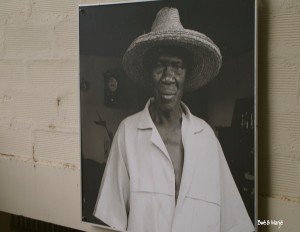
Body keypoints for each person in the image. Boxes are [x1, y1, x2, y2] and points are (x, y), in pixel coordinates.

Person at [94, 7, 254, 232]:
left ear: (187, 75)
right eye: (160, 65)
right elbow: (110, 220)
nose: (168, 77)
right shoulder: (128, 133)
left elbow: (235, 222)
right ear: (150, 72)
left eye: (178, 66)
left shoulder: (206, 137)